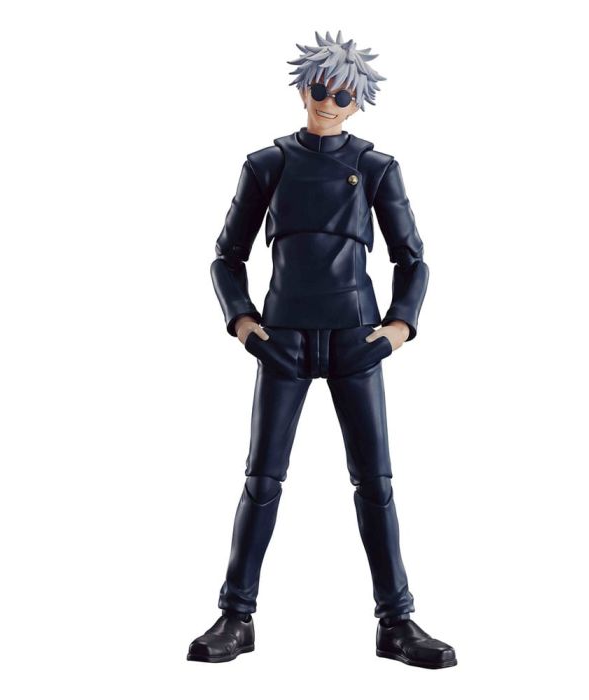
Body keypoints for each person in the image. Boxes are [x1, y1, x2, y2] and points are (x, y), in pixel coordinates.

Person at [187, 31, 457, 669]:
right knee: (261, 480)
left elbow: (412, 259)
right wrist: (243, 323)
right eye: (319, 88)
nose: (328, 102)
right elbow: (226, 257)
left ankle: (396, 621)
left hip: (355, 340)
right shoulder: (267, 164)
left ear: (359, 100)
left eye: (342, 94)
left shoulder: (377, 167)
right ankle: (236, 615)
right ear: (302, 88)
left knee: (376, 484)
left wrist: (399, 326)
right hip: (281, 340)